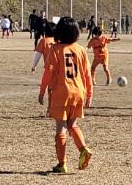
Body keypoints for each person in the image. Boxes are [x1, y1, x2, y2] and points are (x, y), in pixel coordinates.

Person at [38, 17, 93, 173]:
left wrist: (42, 91)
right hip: (79, 92)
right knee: (72, 125)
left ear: (59, 32)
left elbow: (48, 72)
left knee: (60, 128)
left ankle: (62, 164)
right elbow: (87, 74)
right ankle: (83, 149)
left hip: (61, 92)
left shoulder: (55, 49)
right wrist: (89, 94)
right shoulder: (81, 50)